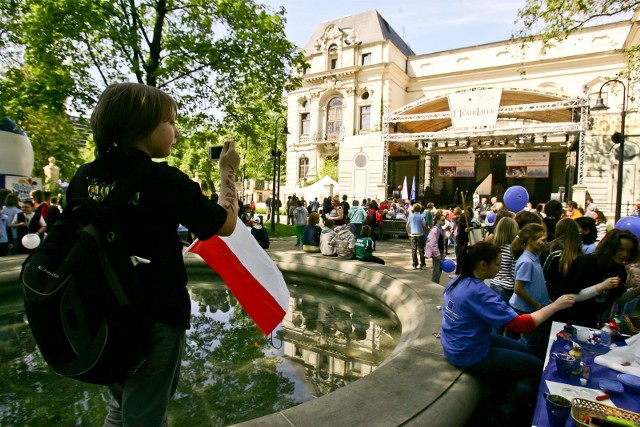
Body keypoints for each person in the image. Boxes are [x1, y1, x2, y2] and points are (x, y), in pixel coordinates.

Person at [65, 82, 239, 427]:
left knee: (123, 403)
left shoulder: (84, 176)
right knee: (144, 415)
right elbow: (225, 224)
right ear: (141, 125)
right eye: (170, 121)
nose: (175, 131)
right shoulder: (163, 179)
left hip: (101, 313)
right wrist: (227, 170)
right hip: (154, 317)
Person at [441, 241, 575, 426]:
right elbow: (522, 325)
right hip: (469, 353)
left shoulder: (458, 280)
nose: (500, 268)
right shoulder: (479, 293)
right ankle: (504, 413)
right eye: (497, 264)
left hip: (462, 342)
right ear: (482, 265)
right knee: (537, 368)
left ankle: (498, 392)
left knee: (523, 349)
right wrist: (555, 306)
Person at [567, 229, 640, 328]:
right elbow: (572, 297)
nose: (625, 254)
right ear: (610, 247)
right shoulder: (586, 263)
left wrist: (637, 290)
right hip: (569, 319)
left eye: (629, 251)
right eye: (620, 249)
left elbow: (618, 298)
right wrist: (602, 286)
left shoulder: (619, 268)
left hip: (592, 321)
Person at [509, 223, 550, 358]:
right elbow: (518, 289)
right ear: (531, 241)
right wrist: (537, 305)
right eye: (542, 240)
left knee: (531, 340)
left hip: (532, 307)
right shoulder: (526, 261)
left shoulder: (534, 257)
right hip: (527, 308)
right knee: (530, 342)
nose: (545, 243)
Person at [488, 217, 519, 335]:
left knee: (495, 320)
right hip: (507, 289)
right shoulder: (512, 250)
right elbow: (514, 273)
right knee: (502, 323)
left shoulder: (495, 248)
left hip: (494, 285)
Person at [425, 213, 446, 283]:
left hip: (440, 252)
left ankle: (436, 282)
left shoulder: (440, 229)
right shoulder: (435, 230)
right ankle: (435, 284)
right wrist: (437, 254)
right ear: (437, 220)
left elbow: (443, 242)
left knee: (439, 270)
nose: (444, 222)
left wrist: (443, 252)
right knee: (436, 271)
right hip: (436, 253)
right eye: (442, 220)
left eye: (444, 220)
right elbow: (433, 243)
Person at [406, 203, 427, 270]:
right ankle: (423, 264)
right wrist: (424, 232)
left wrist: (408, 233)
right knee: (421, 250)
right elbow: (424, 226)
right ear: (420, 209)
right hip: (420, 234)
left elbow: (407, 225)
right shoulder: (421, 216)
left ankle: (415, 264)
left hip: (413, 234)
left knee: (413, 250)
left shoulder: (410, 216)